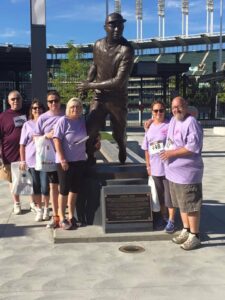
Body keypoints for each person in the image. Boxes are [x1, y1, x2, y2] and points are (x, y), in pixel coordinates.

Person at [77, 12, 134, 164]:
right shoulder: (97, 45)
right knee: (90, 129)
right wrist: (86, 85)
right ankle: (90, 156)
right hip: (99, 96)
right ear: (105, 27)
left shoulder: (126, 50)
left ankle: (122, 147)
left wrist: (90, 85)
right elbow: (94, 66)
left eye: (120, 25)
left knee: (118, 133)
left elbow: (118, 82)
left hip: (117, 98)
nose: (117, 28)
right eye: (113, 25)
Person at [160, 96, 204, 250]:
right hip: (173, 173)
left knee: (191, 205)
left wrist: (171, 154)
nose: (176, 109)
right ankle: (186, 230)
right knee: (182, 205)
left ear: (185, 106)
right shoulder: (173, 120)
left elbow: (192, 147)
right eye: (173, 107)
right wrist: (151, 122)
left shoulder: (191, 122)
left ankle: (195, 235)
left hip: (187, 174)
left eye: (179, 106)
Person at [142, 100, 176, 232]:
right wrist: (148, 166)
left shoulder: (170, 125)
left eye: (161, 110)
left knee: (170, 197)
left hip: (168, 167)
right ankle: (163, 217)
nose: (158, 113)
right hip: (155, 168)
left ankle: (171, 221)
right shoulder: (149, 127)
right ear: (152, 112)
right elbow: (146, 148)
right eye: (156, 111)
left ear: (165, 111)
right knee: (160, 197)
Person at [53, 98, 87, 230]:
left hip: (79, 160)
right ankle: (62, 217)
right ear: (68, 108)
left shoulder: (82, 121)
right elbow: (56, 140)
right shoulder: (63, 121)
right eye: (72, 107)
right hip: (65, 162)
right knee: (64, 189)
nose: (75, 109)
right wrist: (62, 159)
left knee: (74, 190)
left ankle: (71, 215)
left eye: (78, 107)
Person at [35, 90, 64, 228]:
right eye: (50, 101)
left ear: (60, 101)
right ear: (47, 103)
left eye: (56, 101)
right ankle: (55, 216)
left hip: (66, 157)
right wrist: (46, 136)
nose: (53, 103)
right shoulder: (42, 118)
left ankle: (66, 215)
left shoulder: (66, 115)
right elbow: (35, 138)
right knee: (53, 187)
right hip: (51, 157)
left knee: (65, 188)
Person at [19, 99, 50, 222]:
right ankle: (39, 209)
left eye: (39, 108)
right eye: (34, 108)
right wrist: (22, 160)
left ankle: (47, 208)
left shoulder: (47, 123)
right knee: (36, 186)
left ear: (43, 109)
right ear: (31, 110)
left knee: (45, 187)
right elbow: (22, 144)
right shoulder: (27, 125)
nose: (37, 110)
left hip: (45, 160)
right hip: (31, 160)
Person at [0, 90, 27, 214]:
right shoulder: (3, 116)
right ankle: (17, 203)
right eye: (13, 99)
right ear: (9, 101)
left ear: (21, 99)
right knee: (13, 180)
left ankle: (34, 202)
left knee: (30, 178)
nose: (15, 101)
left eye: (18, 98)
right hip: (9, 152)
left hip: (28, 152)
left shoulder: (28, 112)